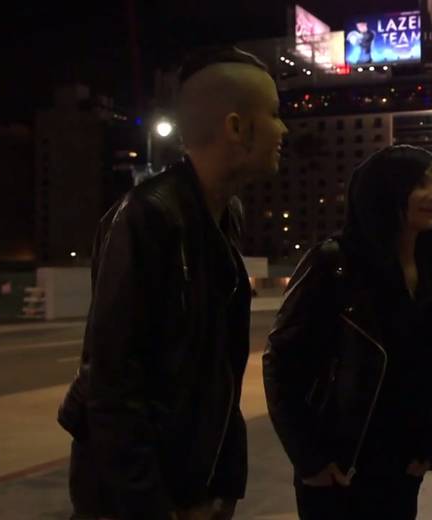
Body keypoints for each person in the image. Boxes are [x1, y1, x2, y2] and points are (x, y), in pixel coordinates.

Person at [57, 46, 288, 520]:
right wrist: (152, 508)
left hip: (196, 486)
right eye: (274, 114)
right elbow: (112, 387)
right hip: (137, 501)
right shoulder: (147, 218)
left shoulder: (226, 214)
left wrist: (225, 484)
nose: (283, 130)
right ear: (236, 127)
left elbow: (218, 371)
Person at [264, 145, 432, 519]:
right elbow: (281, 363)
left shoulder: (429, 263)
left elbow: (429, 365)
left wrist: (431, 442)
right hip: (340, 467)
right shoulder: (334, 263)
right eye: (420, 185)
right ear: (387, 193)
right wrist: (310, 459)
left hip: (402, 465)